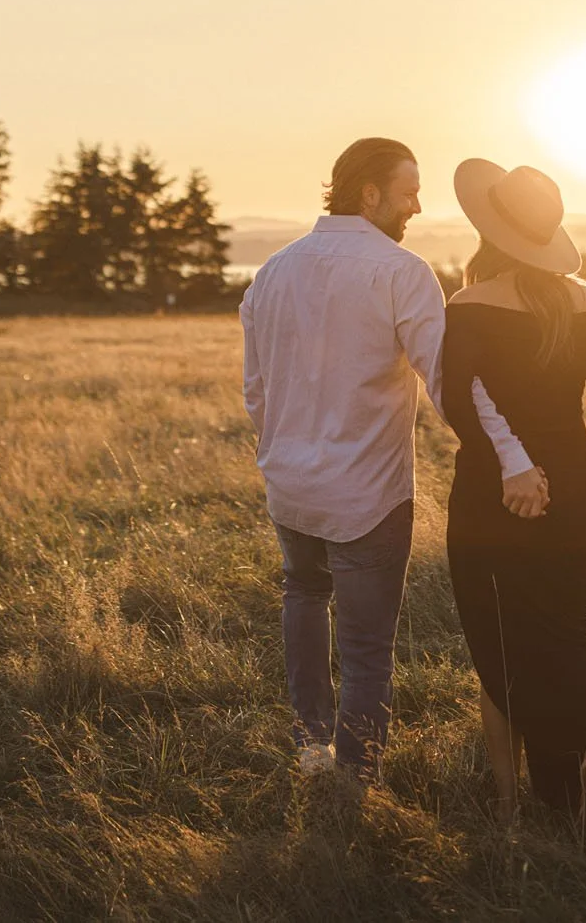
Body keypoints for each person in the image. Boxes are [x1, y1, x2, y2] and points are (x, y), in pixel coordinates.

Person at [440, 158, 586, 836]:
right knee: (568, 632)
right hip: (576, 485)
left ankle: (511, 798)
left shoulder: (468, 305)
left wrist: (508, 464)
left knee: (497, 638)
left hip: (492, 492)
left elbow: (458, 405)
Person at [238, 137, 441, 782]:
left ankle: (312, 748)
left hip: (290, 485)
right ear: (371, 193)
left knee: (303, 595)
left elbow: (256, 389)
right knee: (366, 645)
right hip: (367, 495)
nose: (418, 204)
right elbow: (446, 378)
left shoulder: (273, 270)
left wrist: (282, 448)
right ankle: (356, 776)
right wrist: (509, 453)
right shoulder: (402, 271)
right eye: (409, 190)